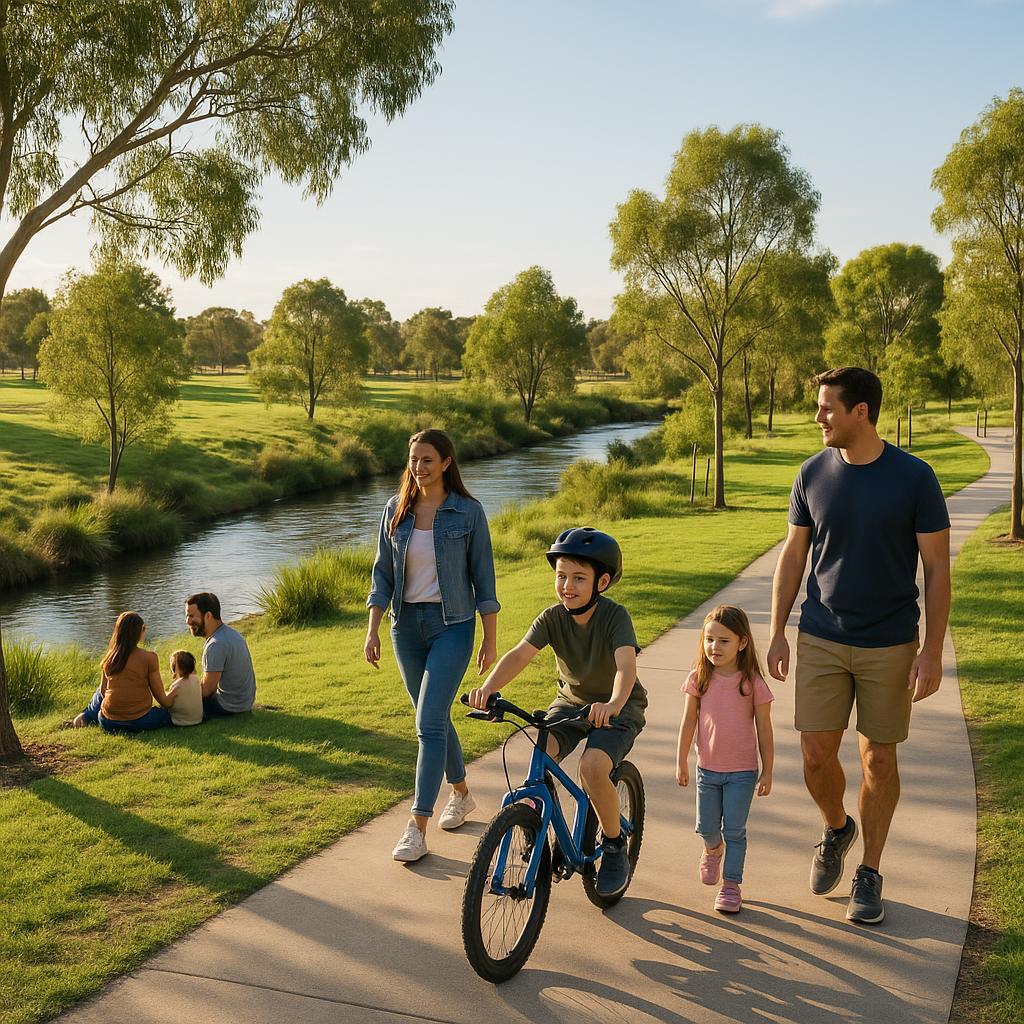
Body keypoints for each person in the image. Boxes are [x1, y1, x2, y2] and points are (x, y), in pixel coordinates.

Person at [767, 366, 951, 925]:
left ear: (860, 412)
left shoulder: (914, 478)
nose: (818, 417)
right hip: (822, 634)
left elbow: (937, 569)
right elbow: (794, 556)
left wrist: (933, 651)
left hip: (891, 641)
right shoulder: (811, 473)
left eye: (826, 407)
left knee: (879, 756)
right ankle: (836, 828)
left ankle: (869, 870)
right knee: (816, 754)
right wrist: (775, 630)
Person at [469, 527, 645, 897]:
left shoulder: (615, 617)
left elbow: (626, 668)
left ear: (603, 582)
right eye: (561, 576)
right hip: (570, 704)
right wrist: (488, 690)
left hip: (619, 705)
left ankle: (613, 846)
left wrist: (612, 704)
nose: (567, 585)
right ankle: (534, 821)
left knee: (593, 768)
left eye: (579, 578)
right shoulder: (552, 617)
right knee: (539, 756)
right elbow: (519, 654)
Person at [365, 429, 500, 863]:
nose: (418, 467)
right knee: (434, 717)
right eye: (413, 459)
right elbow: (382, 575)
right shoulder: (395, 510)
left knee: (427, 724)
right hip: (405, 628)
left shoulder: (468, 512)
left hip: (452, 627)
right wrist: (372, 629)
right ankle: (460, 793)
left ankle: (416, 827)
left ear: (445, 462)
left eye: (427, 460)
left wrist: (490, 641)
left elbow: (485, 581)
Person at [676, 605, 774, 914]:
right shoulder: (699, 679)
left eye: (723, 641)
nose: (714, 647)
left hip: (742, 772)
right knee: (707, 827)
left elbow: (765, 729)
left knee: (735, 829)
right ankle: (712, 849)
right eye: (709, 640)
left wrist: (768, 770)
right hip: (707, 769)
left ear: (742, 643)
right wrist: (681, 760)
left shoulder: (752, 683)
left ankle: (731, 886)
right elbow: (688, 722)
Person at [73, 612, 175, 733]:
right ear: (141, 631)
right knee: (166, 715)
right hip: (140, 721)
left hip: (107, 722)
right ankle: (87, 716)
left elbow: (103, 691)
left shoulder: (109, 658)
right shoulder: (150, 658)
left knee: (100, 690)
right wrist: (176, 692)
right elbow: (162, 699)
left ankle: (87, 716)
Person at [184, 592, 257, 718]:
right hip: (244, 703)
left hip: (228, 706)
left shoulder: (216, 645)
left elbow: (207, 691)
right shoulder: (232, 634)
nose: (188, 621)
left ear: (208, 616)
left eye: (192, 616)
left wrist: (180, 693)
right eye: (187, 616)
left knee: (177, 705)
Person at [166, 650, 203, 727]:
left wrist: (164, 693)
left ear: (174, 668)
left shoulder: (177, 685)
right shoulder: (196, 679)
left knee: (159, 712)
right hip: (198, 719)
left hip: (181, 721)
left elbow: (166, 702)